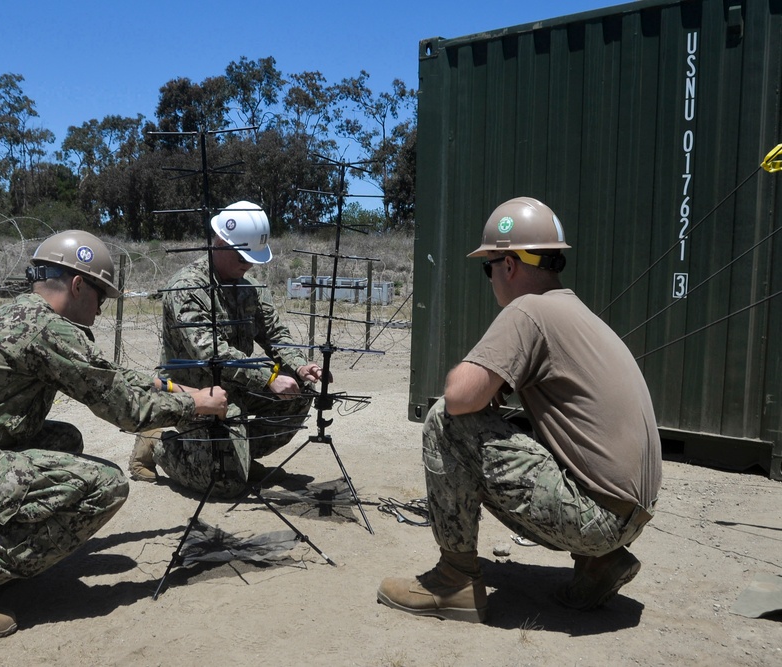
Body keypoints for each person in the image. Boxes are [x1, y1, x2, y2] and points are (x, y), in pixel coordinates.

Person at [0, 230, 227, 640]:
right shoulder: (48, 329)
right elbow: (125, 409)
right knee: (104, 486)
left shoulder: (21, 317)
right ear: (77, 285)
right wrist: (196, 406)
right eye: (100, 297)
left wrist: (164, 387)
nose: (101, 311)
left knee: (62, 440)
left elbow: (101, 374)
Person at [377, 197, 662, 622]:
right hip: (630, 517)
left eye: (488, 267)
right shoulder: (572, 309)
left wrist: (474, 389)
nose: (490, 278)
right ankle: (600, 563)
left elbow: (459, 396)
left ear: (508, 265)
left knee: (444, 420)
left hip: (595, 517)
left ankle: (454, 581)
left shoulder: (527, 310)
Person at [130, 200, 327, 497]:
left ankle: (239, 456)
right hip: (194, 393)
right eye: (241, 256)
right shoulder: (186, 288)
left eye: (252, 258)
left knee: (299, 391)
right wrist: (269, 378)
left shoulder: (250, 288)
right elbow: (210, 352)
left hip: (236, 388)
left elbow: (275, 334)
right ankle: (159, 440)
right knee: (225, 486)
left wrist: (300, 365)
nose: (248, 264)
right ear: (220, 242)